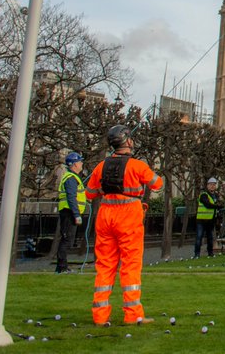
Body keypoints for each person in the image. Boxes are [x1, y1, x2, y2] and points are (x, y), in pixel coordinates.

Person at [84, 125, 164, 325]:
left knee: (104, 266)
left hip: (105, 216)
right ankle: (133, 314)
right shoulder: (136, 165)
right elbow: (158, 183)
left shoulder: (100, 166)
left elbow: (89, 194)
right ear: (127, 141)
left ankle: (100, 316)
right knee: (130, 265)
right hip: (129, 216)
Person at [55, 151, 87, 274]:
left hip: (69, 212)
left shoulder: (73, 178)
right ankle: (62, 267)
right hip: (69, 213)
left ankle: (62, 267)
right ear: (74, 164)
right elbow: (71, 197)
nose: (81, 163)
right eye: (79, 161)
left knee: (67, 239)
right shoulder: (71, 179)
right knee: (66, 239)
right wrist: (77, 214)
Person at [195, 177, 222, 258]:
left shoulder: (216, 195)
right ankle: (197, 254)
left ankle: (210, 253)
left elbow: (219, 205)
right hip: (201, 220)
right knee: (199, 237)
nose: (212, 186)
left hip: (210, 220)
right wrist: (217, 206)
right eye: (211, 185)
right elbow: (207, 204)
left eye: (214, 185)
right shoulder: (203, 194)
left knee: (210, 237)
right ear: (207, 186)